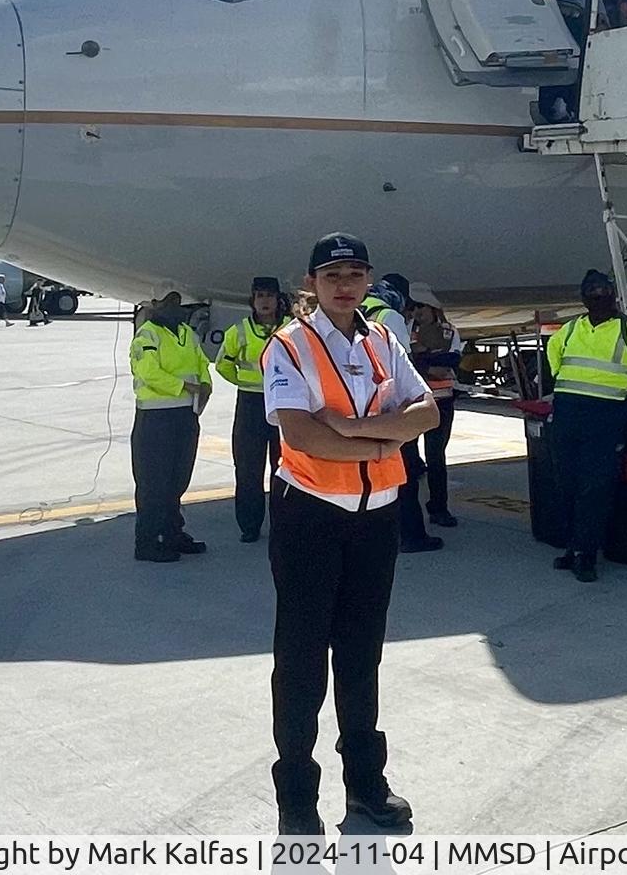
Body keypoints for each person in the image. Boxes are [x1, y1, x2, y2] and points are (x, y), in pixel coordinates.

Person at [262, 232, 440, 835]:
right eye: (333, 274)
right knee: (302, 659)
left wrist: (360, 430)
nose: (345, 284)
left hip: (377, 517)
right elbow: (302, 435)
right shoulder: (290, 346)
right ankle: (297, 800)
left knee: (362, 656)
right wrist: (387, 437)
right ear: (310, 283)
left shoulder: (384, 339)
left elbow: (429, 411)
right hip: (311, 516)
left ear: (368, 281)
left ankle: (365, 786)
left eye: (356, 273)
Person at [544, 268, 627, 582]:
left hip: (605, 415)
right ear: (583, 298)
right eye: (591, 291)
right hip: (569, 412)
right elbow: (552, 353)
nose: (597, 296)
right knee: (567, 483)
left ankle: (587, 554)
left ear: (613, 294)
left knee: (594, 486)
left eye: (602, 290)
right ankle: (572, 547)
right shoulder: (571, 329)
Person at [360, 277, 442, 555]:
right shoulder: (389, 316)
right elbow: (401, 364)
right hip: (391, 409)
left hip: (362, 404)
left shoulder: (357, 309)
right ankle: (412, 536)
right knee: (404, 475)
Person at [129, 291, 213, 563]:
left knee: (177, 479)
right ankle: (148, 542)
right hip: (155, 419)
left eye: (177, 302)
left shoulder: (186, 333)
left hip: (185, 416)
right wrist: (186, 386)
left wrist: (206, 385)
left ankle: (172, 532)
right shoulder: (148, 335)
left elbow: (200, 362)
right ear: (154, 305)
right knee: (154, 483)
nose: (174, 307)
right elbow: (148, 372)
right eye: (167, 302)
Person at [218, 276, 287, 543]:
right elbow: (224, 364)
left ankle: (284, 522)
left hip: (282, 404)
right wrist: (245, 383)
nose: (265, 302)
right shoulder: (239, 331)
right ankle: (249, 524)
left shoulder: (290, 328)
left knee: (284, 467)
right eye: (260, 296)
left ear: (278, 300)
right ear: (253, 301)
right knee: (248, 468)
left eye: (269, 296)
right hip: (250, 403)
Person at [406, 282, 462, 529]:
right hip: (414, 403)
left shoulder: (449, 330)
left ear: (432, 308)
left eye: (421, 307)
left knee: (436, 458)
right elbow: (408, 360)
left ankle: (439, 508)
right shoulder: (408, 329)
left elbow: (452, 359)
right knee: (409, 460)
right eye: (414, 307)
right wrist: (428, 362)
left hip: (442, 402)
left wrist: (423, 356)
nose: (417, 311)